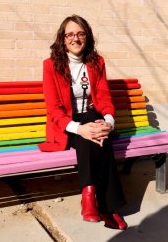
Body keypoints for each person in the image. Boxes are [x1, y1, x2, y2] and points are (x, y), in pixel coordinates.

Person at [38, 15, 128, 230]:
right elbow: (53, 109)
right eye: (69, 34)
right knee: (93, 133)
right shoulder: (51, 65)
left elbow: (104, 97)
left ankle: (89, 197)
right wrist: (79, 129)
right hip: (66, 126)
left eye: (80, 33)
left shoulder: (97, 62)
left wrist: (108, 122)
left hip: (92, 120)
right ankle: (109, 207)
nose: (75, 38)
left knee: (96, 130)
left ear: (87, 37)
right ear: (62, 38)